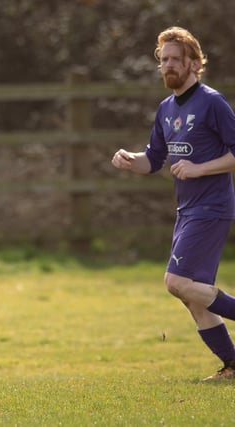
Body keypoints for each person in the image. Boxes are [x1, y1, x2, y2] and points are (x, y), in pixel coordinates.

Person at [111, 26, 235, 381]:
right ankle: (233, 365)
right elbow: (154, 159)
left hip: (211, 208)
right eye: (163, 60)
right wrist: (129, 159)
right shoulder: (165, 108)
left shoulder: (212, 102)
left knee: (176, 282)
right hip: (187, 210)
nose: (167, 67)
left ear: (194, 63)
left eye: (175, 60)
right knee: (192, 296)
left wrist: (200, 169)